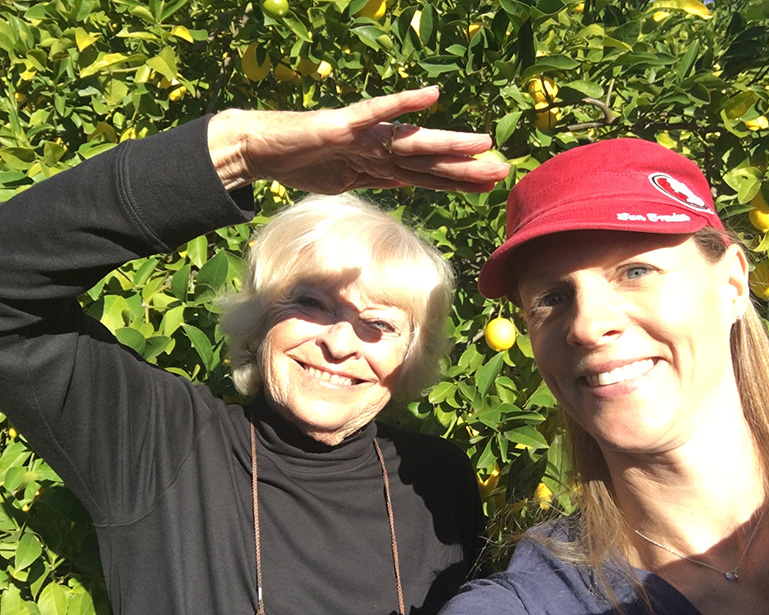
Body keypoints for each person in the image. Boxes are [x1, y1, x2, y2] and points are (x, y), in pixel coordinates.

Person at [0, 87, 511, 615]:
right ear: (260, 320)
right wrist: (240, 151)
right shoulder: (159, 444)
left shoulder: (435, 481)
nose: (338, 344)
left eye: (378, 325)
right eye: (312, 304)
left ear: (409, 356)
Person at [440, 138, 769, 615]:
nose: (586, 325)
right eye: (552, 298)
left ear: (733, 285)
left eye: (637, 270)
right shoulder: (535, 601)